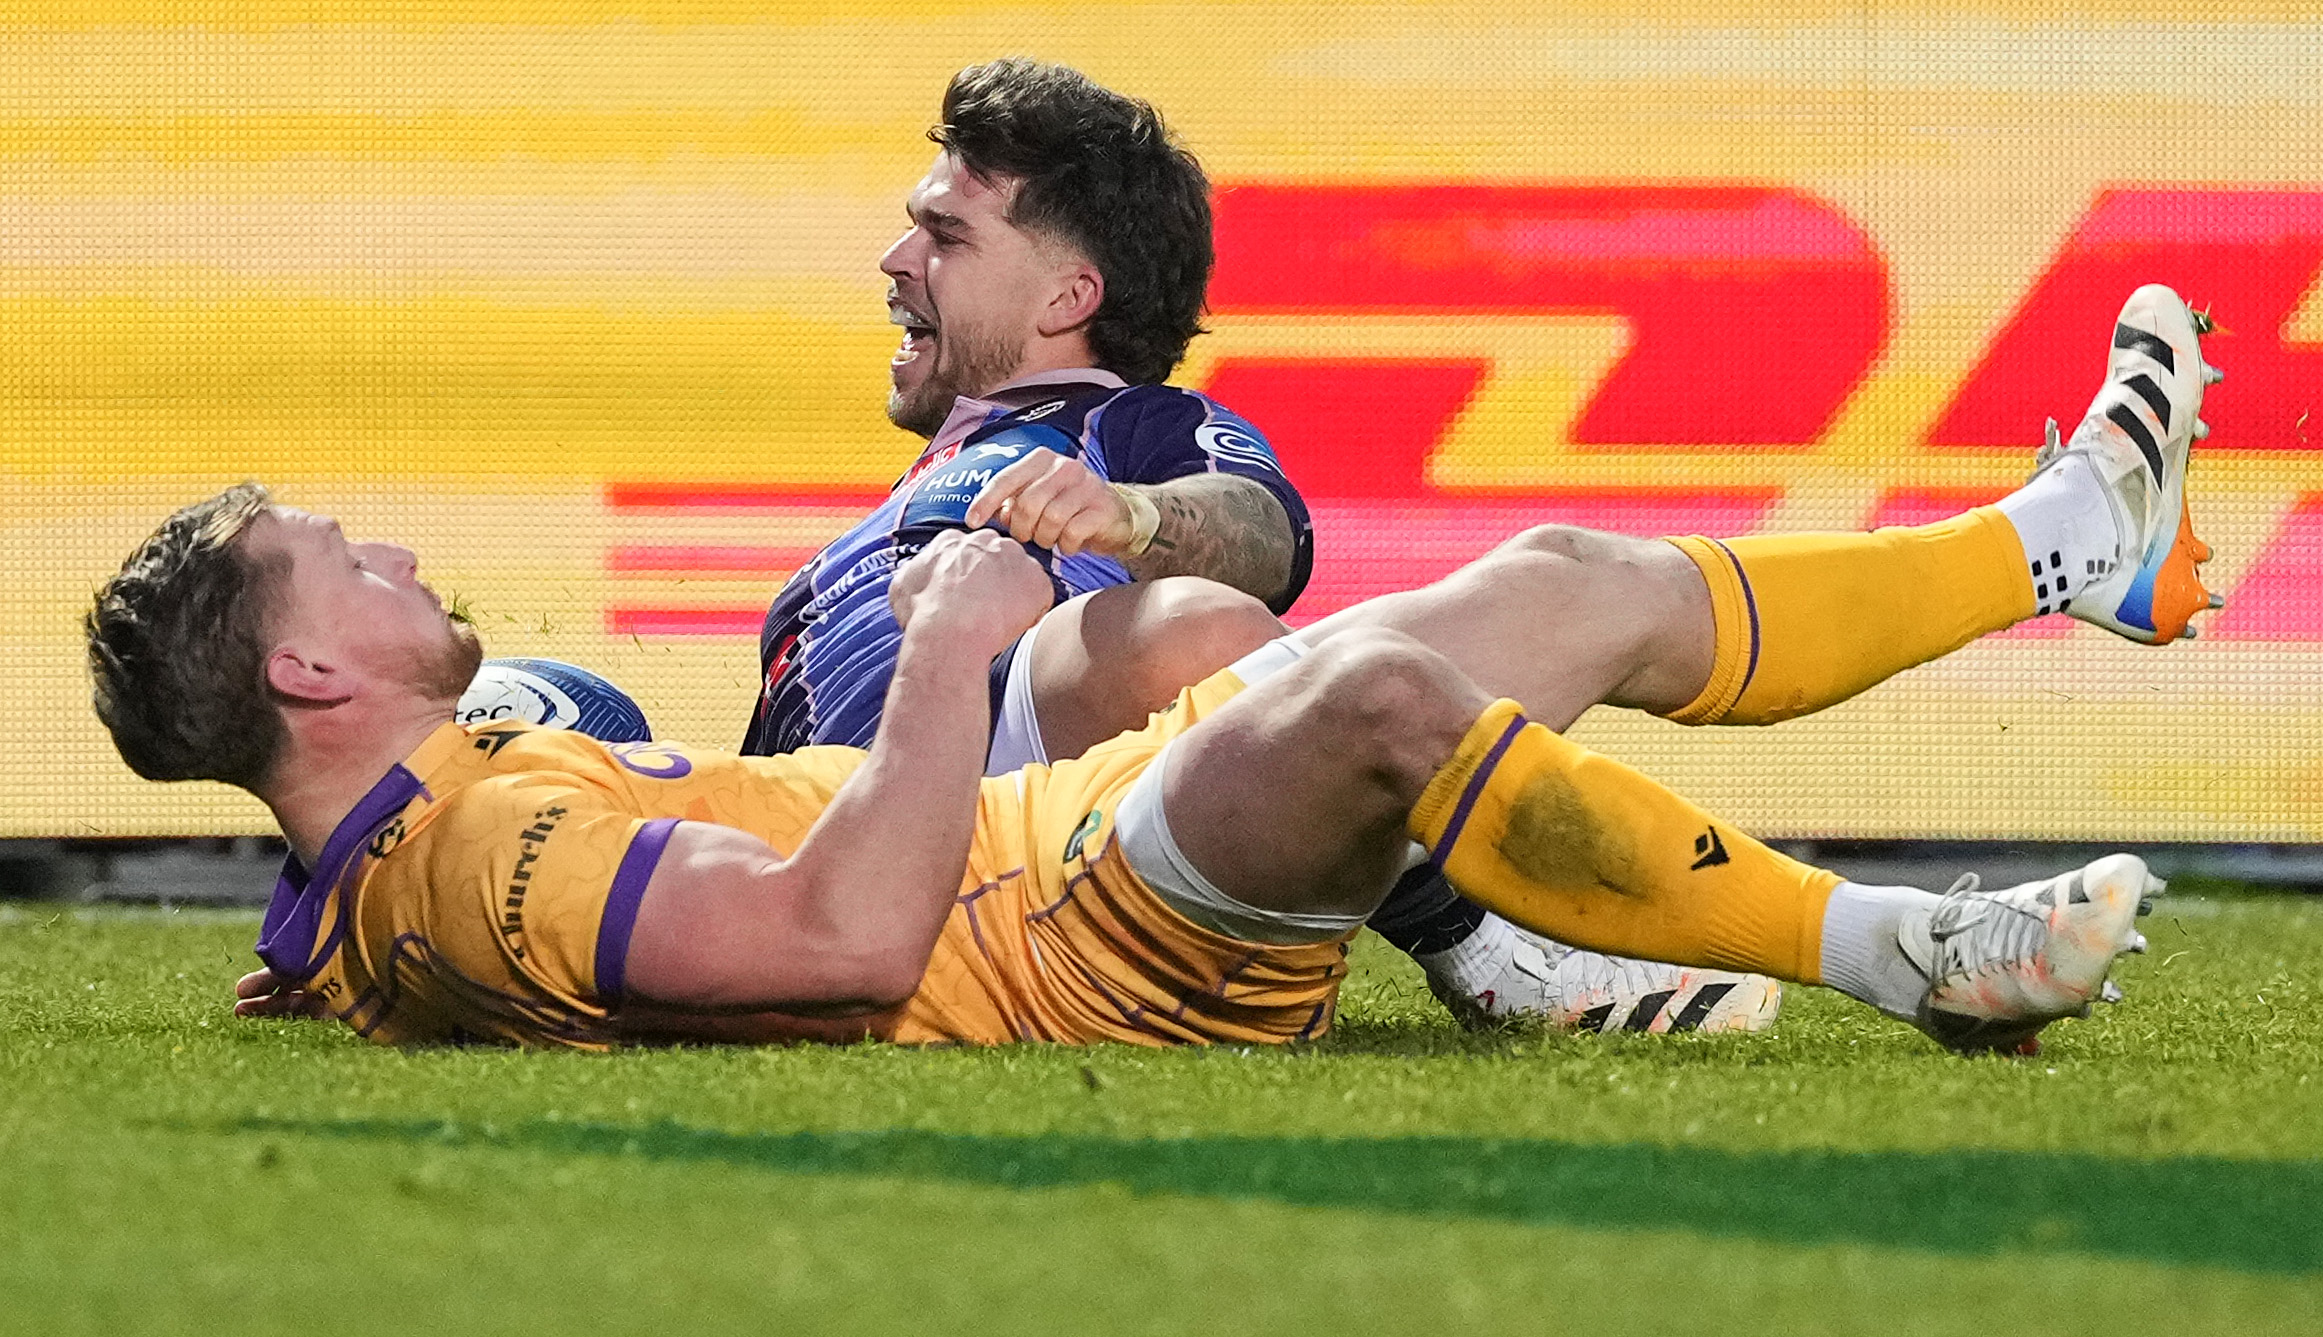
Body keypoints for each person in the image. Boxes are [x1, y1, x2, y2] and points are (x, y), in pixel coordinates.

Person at [89, 284, 2216, 1056]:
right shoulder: (472, 855)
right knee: (1371, 704)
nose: (395, 551)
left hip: (1070, 839)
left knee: (1570, 578)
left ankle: (2060, 542)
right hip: (1073, 930)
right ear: (305, 663)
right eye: (345, 559)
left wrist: (325, 939)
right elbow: (840, 941)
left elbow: (396, 898)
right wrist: (954, 645)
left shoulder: (411, 841)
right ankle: (1905, 947)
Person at [744, 56, 1770, 1033]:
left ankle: (1488, 943)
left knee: (1225, 622)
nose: (897, 260)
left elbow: (1267, 537)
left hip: (1031, 825)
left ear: (1069, 298)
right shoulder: (853, 549)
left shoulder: (1127, 423)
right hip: (838, 862)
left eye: (945, 235)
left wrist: (1133, 516)